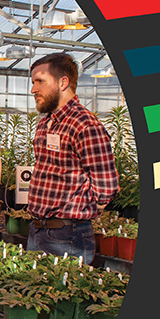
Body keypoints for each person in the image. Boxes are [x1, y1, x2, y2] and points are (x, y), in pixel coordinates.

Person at [23, 53, 118, 261]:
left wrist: (77, 211)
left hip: (67, 236)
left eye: (40, 82)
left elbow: (107, 186)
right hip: (37, 230)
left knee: (61, 292)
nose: (33, 89)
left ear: (63, 82)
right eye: (33, 82)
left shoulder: (84, 124)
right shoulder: (45, 123)